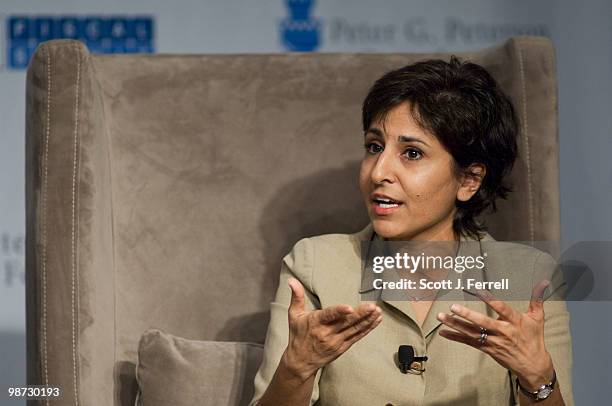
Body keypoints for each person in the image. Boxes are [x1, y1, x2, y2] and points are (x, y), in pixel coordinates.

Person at [248, 56, 573, 405]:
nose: (378, 172)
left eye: (412, 153)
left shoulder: (528, 279)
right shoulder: (315, 266)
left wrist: (537, 378)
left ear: (469, 180)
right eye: (374, 147)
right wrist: (295, 370)